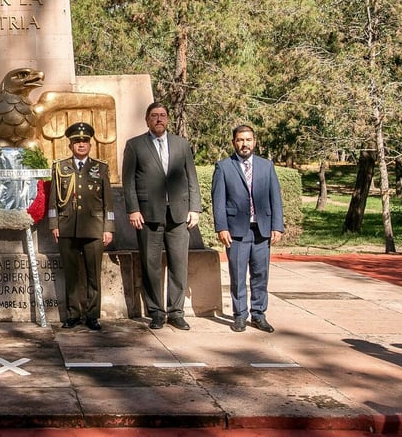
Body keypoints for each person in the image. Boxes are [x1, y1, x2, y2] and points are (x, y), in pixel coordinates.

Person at [122, 102, 201, 330]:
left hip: (178, 214)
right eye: (154, 115)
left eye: (162, 115)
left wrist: (194, 208)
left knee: (178, 264)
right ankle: (156, 312)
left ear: (168, 119)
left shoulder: (181, 144)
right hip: (148, 215)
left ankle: (176, 312)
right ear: (147, 120)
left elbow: (192, 178)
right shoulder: (135, 145)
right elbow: (128, 181)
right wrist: (133, 209)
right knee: (151, 265)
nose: (159, 119)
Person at [211, 124, 284, 333]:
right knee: (238, 275)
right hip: (236, 232)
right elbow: (218, 200)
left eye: (248, 140)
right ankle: (240, 315)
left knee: (261, 275)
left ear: (255, 141)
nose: (244, 144)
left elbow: (275, 198)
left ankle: (259, 315)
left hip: (262, 230)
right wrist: (221, 227)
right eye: (240, 140)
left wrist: (277, 225)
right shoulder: (224, 167)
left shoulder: (266, 166)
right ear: (234, 142)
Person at [49, 121, 114, 331]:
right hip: (67, 228)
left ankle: (92, 315)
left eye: (85, 141)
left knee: (94, 275)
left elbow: (108, 202)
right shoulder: (60, 167)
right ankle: (73, 314)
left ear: (90, 144)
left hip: (94, 228)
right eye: (77, 142)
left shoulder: (100, 168)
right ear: (70, 145)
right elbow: (53, 200)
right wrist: (54, 223)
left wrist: (108, 227)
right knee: (71, 275)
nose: (81, 145)